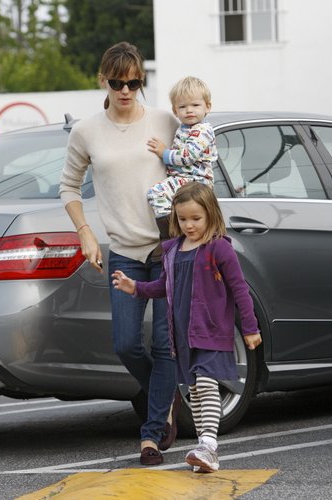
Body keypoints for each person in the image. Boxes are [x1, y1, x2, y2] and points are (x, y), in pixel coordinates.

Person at [59, 41, 179, 466]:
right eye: (117, 82)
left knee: (165, 346)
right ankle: (163, 396)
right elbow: (69, 186)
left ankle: (151, 434)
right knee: (126, 344)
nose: (125, 90)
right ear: (103, 79)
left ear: (140, 81)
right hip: (124, 252)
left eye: (133, 83)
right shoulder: (86, 131)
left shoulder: (165, 121)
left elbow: (194, 168)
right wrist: (85, 232)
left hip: (167, 249)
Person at [112, 182, 262, 473]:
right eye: (182, 219)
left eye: (196, 218)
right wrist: (135, 288)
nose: (189, 225)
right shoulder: (173, 250)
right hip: (183, 336)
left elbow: (239, 289)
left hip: (211, 329)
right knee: (194, 389)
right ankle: (206, 451)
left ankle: (208, 445)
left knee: (206, 384)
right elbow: (162, 287)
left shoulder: (218, 248)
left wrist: (250, 327)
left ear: (211, 215)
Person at [146, 76, 218, 251]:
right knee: (164, 196)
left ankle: (169, 238)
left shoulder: (203, 131)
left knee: (156, 192)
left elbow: (187, 157)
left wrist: (164, 153)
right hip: (184, 179)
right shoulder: (184, 129)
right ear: (174, 110)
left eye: (195, 105)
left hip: (197, 182)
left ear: (208, 106)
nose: (189, 110)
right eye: (183, 107)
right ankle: (177, 235)